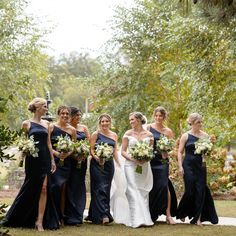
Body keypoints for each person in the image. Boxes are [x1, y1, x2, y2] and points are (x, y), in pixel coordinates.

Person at [2, 98, 59, 231]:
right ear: (38, 107)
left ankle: (39, 221)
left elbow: (48, 143)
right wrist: (24, 150)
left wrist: (52, 160)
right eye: (44, 106)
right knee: (31, 187)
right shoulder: (26, 124)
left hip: (44, 158)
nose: (46, 108)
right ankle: (20, 216)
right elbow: (22, 142)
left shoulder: (47, 124)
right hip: (32, 160)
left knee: (44, 188)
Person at [176, 113, 218, 225]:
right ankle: (182, 212)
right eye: (198, 122)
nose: (201, 124)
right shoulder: (185, 136)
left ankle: (197, 218)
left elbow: (208, 152)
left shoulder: (205, 135)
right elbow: (179, 152)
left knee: (200, 190)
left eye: (201, 122)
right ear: (192, 123)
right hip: (188, 165)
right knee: (189, 190)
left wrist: (206, 153)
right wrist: (180, 167)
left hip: (201, 166)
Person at [120, 112, 154, 228]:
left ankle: (145, 218)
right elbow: (123, 151)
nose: (131, 122)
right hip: (130, 165)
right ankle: (136, 220)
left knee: (142, 189)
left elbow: (150, 151)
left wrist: (145, 158)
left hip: (144, 166)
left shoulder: (149, 135)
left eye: (132, 119)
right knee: (132, 189)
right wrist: (133, 158)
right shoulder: (128, 133)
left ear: (139, 120)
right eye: (130, 120)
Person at [86, 114, 119, 224]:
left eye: (107, 121)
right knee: (100, 188)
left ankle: (93, 214)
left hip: (109, 165)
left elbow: (114, 151)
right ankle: (105, 214)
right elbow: (91, 149)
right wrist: (97, 158)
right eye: (102, 122)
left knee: (106, 188)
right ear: (100, 123)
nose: (104, 123)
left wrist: (119, 164)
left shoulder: (114, 135)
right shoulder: (96, 134)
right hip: (97, 164)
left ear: (110, 122)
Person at [147, 106, 177, 224]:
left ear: (164, 117)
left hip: (163, 162)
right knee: (151, 186)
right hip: (150, 160)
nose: (158, 118)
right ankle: (150, 212)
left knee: (164, 186)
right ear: (154, 116)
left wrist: (166, 152)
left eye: (160, 116)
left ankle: (168, 215)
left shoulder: (168, 131)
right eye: (156, 115)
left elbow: (172, 148)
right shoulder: (148, 127)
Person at [49, 105, 76, 226]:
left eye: (67, 114)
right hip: (53, 160)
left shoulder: (72, 130)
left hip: (66, 163)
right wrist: (56, 153)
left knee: (63, 188)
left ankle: (61, 217)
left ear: (70, 116)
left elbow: (73, 146)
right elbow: (47, 143)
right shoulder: (52, 126)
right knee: (54, 187)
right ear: (58, 114)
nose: (65, 115)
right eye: (62, 113)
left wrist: (67, 154)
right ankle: (52, 215)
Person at [64, 107, 90, 225]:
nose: (79, 117)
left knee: (79, 185)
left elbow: (89, 144)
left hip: (82, 161)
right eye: (77, 115)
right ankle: (68, 215)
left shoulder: (84, 128)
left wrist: (84, 153)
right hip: (70, 160)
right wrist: (74, 155)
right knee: (70, 185)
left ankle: (78, 215)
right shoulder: (67, 127)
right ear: (72, 116)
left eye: (80, 115)